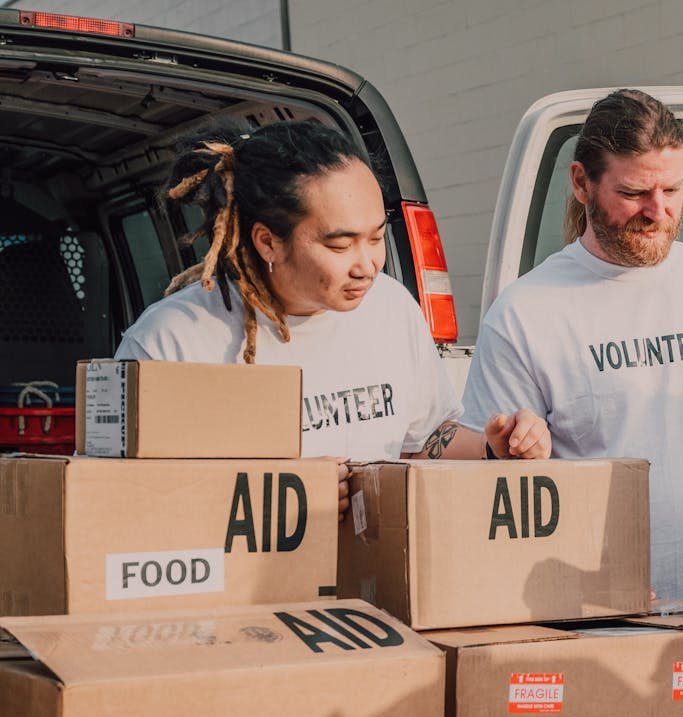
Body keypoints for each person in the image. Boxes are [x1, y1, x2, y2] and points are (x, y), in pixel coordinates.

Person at [461, 90, 683, 630]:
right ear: (581, 183)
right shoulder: (525, 313)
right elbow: (504, 497)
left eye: (673, 189)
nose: (659, 212)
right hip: (591, 623)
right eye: (634, 192)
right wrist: (509, 448)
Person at [116, 121, 549, 514]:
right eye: (341, 246)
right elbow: (120, 501)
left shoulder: (392, 308)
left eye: (377, 237)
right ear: (268, 242)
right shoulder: (170, 343)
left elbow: (421, 443)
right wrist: (284, 495)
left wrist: (494, 448)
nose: (368, 264)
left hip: (371, 585)